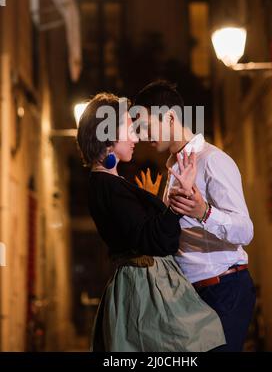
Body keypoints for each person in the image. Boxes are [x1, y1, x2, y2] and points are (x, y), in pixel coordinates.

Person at [76, 92, 225, 352]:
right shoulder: (108, 186)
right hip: (147, 295)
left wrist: (151, 202)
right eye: (128, 130)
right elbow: (157, 241)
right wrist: (180, 198)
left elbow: (143, 230)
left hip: (145, 288)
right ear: (108, 136)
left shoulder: (108, 184)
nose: (136, 138)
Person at [134, 80, 256, 352]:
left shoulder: (212, 160)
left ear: (169, 117)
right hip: (190, 295)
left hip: (224, 289)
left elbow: (245, 231)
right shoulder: (173, 169)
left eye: (146, 125)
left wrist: (204, 212)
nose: (142, 135)